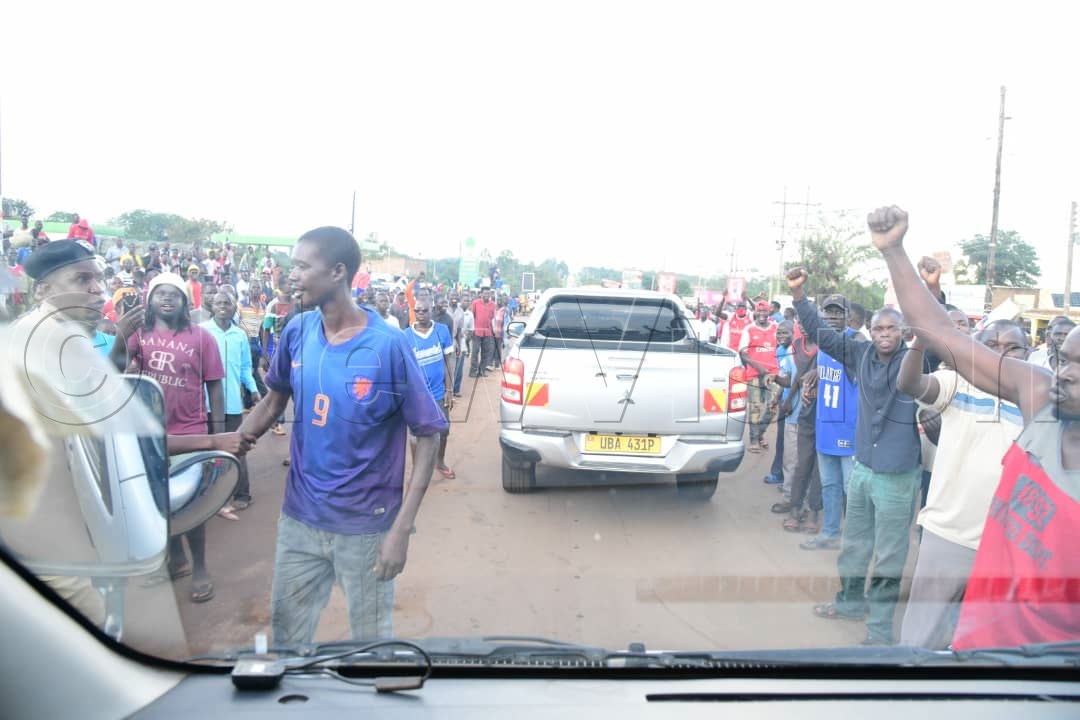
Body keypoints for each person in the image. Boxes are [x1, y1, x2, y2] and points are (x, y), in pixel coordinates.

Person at [869, 204, 1080, 649]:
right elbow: (939, 331)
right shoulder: (1039, 395)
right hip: (978, 639)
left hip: (1049, 668)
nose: (1064, 374)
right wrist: (893, 251)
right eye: (1064, 361)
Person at [238, 226, 448, 645]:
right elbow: (274, 401)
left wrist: (401, 529)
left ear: (337, 272)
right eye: (291, 265)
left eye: (302, 266)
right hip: (299, 522)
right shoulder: (297, 331)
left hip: (366, 529)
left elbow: (427, 434)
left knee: (370, 646)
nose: (291, 275)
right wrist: (230, 446)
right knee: (287, 639)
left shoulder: (388, 346)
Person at [789, 266, 922, 646]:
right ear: (869, 331)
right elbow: (822, 334)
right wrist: (799, 296)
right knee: (854, 545)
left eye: (892, 329)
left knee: (889, 556)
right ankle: (849, 603)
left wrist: (930, 288)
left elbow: (933, 331)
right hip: (863, 468)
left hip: (897, 477)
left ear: (904, 333)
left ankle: (879, 630)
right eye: (879, 329)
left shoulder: (914, 360)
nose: (884, 334)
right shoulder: (859, 353)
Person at [897, 309, 1029, 649]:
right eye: (991, 345)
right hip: (948, 534)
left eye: (1013, 347)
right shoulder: (957, 382)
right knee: (920, 641)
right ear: (975, 349)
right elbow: (909, 384)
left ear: (1028, 353)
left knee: (983, 643)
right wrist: (920, 340)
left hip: (1008, 545)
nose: (1001, 353)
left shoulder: (1039, 400)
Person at [112, 271, 225, 604]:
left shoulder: (202, 338)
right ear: (150, 300)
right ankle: (177, 559)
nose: (166, 298)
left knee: (191, 501)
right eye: (159, 293)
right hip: (149, 431)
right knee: (161, 500)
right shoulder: (139, 334)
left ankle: (200, 566)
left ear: (185, 301)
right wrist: (121, 336)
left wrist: (219, 434)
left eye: (173, 294)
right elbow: (113, 370)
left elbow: (215, 386)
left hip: (190, 430)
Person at [799, 294, 859, 553]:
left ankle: (854, 541)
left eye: (838, 312)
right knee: (830, 486)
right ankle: (830, 534)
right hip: (825, 428)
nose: (833, 316)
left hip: (849, 431)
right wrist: (814, 374)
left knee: (851, 491)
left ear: (848, 316)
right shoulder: (824, 345)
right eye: (828, 312)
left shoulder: (856, 343)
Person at [202, 291, 261, 512]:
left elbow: (246, 367)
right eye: (218, 302)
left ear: (234, 307)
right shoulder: (202, 332)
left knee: (236, 449)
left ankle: (242, 493)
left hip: (232, 404)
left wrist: (253, 389)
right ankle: (209, 494)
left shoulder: (240, 335)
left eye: (227, 303)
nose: (222, 306)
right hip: (205, 404)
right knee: (207, 450)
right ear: (212, 306)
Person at [404, 296, 456, 479]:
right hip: (416, 395)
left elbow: (448, 362)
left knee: (444, 429)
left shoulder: (442, 331)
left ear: (431, 310)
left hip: (439, 393)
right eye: (417, 310)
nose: (420, 313)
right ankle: (417, 469)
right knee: (415, 434)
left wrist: (449, 390)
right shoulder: (406, 336)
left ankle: (439, 462)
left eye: (424, 310)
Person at [738, 300, 779, 453]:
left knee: (773, 406)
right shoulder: (748, 329)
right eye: (759, 311)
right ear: (755, 312)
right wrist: (760, 369)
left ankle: (760, 433)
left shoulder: (775, 328)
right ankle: (754, 440)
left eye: (764, 311)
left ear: (769, 312)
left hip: (772, 375)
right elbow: (743, 353)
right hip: (754, 374)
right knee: (755, 407)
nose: (762, 314)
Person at [470, 289, 496, 377]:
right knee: (475, 351)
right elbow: (472, 316)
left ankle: (482, 370)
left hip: (487, 332)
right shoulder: (475, 303)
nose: (486, 295)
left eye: (488, 294)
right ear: (481, 294)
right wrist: (472, 329)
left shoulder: (493, 305)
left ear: (490, 295)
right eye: (485, 293)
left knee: (485, 352)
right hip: (477, 331)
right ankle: (473, 371)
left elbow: (492, 318)